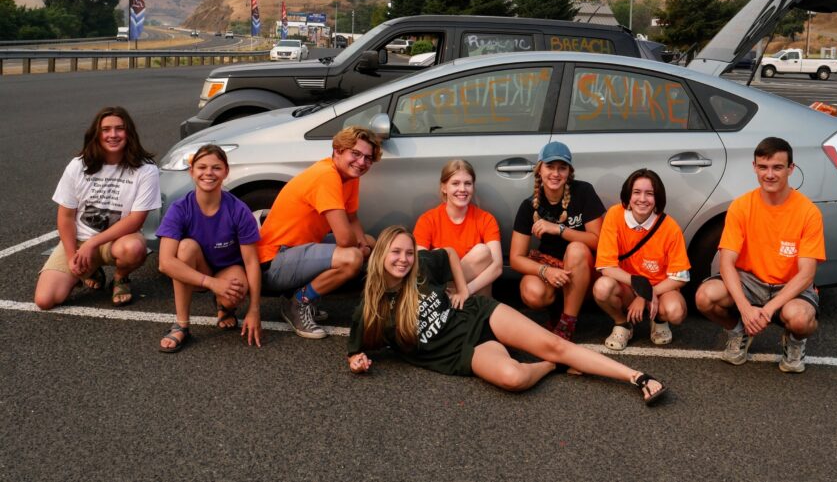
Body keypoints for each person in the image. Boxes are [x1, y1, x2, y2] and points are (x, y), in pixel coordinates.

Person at [347, 226, 668, 406]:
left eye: (407, 252)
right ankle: (551, 366)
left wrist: (462, 290)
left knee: (555, 343)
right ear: (381, 256)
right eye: (396, 253)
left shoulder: (420, 268)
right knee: (513, 379)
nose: (403, 260)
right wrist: (357, 361)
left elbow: (448, 254)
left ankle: (637, 377)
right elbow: (356, 351)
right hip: (463, 353)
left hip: (479, 315)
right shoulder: (370, 310)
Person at [694, 137, 825, 373]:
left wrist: (768, 309)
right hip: (750, 281)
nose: (770, 174)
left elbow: (807, 274)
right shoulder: (741, 206)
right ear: (754, 167)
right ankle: (738, 332)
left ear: (790, 169)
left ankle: (795, 342)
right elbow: (726, 263)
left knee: (800, 319)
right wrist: (745, 309)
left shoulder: (808, 212)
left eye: (777, 167)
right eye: (763, 167)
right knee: (705, 297)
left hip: (789, 283)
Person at [256, 126, 381, 339]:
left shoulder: (349, 176)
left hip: (295, 252)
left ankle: (294, 295)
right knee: (351, 258)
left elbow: (351, 218)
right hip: (273, 262)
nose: (361, 162)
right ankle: (299, 303)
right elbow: (344, 238)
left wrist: (365, 244)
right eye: (356, 154)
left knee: (369, 242)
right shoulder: (326, 175)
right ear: (338, 150)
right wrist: (359, 247)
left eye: (368, 158)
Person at [34, 106, 159, 310]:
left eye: (120, 128)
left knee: (134, 249)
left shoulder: (145, 169)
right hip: (79, 241)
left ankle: (120, 278)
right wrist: (71, 257)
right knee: (45, 300)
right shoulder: (78, 165)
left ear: (129, 133)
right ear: (96, 134)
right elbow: (66, 217)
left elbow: (136, 219)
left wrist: (92, 245)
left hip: (118, 240)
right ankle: (90, 271)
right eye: (106, 129)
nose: (113, 135)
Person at [155, 144, 263, 352]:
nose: (208, 173)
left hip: (227, 268)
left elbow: (251, 262)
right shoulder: (180, 208)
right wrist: (212, 283)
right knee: (185, 248)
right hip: (198, 269)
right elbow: (164, 263)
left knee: (234, 294)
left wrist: (254, 310)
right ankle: (181, 325)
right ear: (192, 172)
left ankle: (224, 308)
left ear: (226, 172)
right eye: (202, 167)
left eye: (216, 168)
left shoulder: (238, 210)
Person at [510, 142, 605, 341]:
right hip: (551, 266)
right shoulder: (529, 206)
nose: (556, 173)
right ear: (539, 169)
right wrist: (545, 271)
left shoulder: (583, 192)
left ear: (569, 172)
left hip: (585, 269)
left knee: (576, 249)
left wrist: (560, 229)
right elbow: (516, 258)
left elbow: (599, 241)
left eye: (562, 168)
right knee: (532, 292)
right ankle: (558, 311)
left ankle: (567, 324)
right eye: (550, 167)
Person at [593, 169, 689, 351]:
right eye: (637, 192)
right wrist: (640, 289)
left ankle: (658, 320)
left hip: (659, 290)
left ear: (657, 198)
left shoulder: (670, 227)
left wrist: (646, 295)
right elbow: (606, 267)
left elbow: (680, 277)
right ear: (628, 196)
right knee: (602, 287)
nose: (642, 199)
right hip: (627, 287)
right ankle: (622, 324)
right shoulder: (614, 215)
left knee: (675, 311)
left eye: (650, 193)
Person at [413, 160, 502, 296]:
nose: (462, 189)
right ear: (444, 187)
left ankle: (476, 311)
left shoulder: (486, 219)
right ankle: (447, 298)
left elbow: (497, 267)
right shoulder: (427, 220)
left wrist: (465, 290)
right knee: (436, 254)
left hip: (473, 291)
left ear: (473, 187)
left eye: (468, 183)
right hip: (439, 288)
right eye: (455, 183)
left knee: (482, 253)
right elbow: (420, 267)